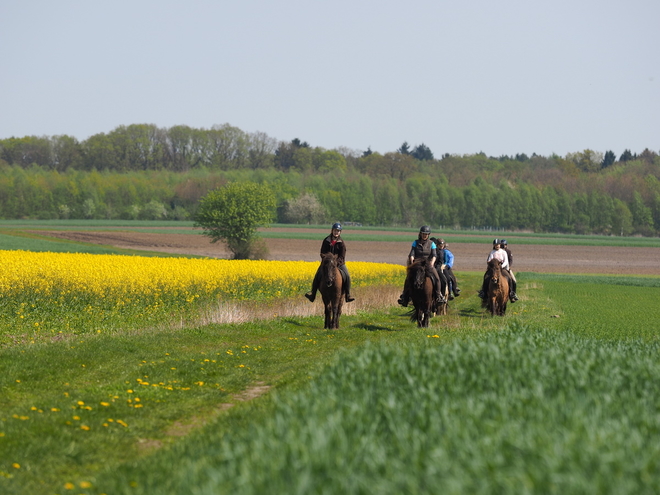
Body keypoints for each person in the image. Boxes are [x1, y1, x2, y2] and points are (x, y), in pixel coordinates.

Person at [305, 223, 355, 303]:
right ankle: (312, 295)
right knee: (317, 275)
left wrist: (335, 263)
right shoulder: (326, 240)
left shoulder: (341, 243)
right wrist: (326, 260)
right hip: (326, 264)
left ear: (340, 232)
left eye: (338, 231)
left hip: (339, 264)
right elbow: (322, 252)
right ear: (332, 231)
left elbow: (342, 256)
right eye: (335, 230)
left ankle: (348, 295)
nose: (336, 232)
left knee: (347, 276)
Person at [398, 226, 446, 307]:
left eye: (426, 234)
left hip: (428, 264)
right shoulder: (415, 243)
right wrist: (412, 261)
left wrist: (431, 263)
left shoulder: (432, 244)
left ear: (428, 235)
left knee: (437, 278)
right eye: (423, 234)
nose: (425, 235)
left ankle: (438, 296)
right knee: (408, 278)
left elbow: (434, 255)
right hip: (417, 264)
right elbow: (412, 254)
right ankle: (405, 297)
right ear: (420, 234)